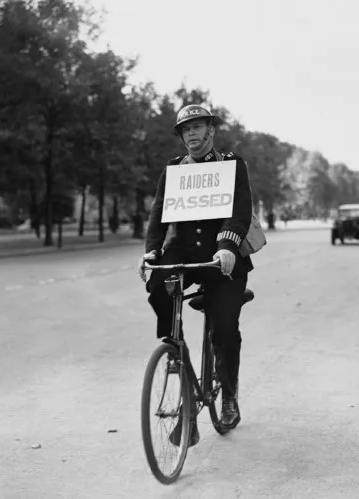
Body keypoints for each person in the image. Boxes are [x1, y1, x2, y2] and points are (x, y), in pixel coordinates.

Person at [137, 104, 253, 446]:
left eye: (198, 127)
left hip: (224, 259)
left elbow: (240, 210)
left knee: (225, 329)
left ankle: (228, 395)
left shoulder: (232, 164)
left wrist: (228, 245)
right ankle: (177, 352)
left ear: (211, 130)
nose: (191, 134)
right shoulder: (174, 170)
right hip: (186, 253)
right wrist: (151, 251)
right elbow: (159, 214)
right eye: (185, 130)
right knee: (157, 285)